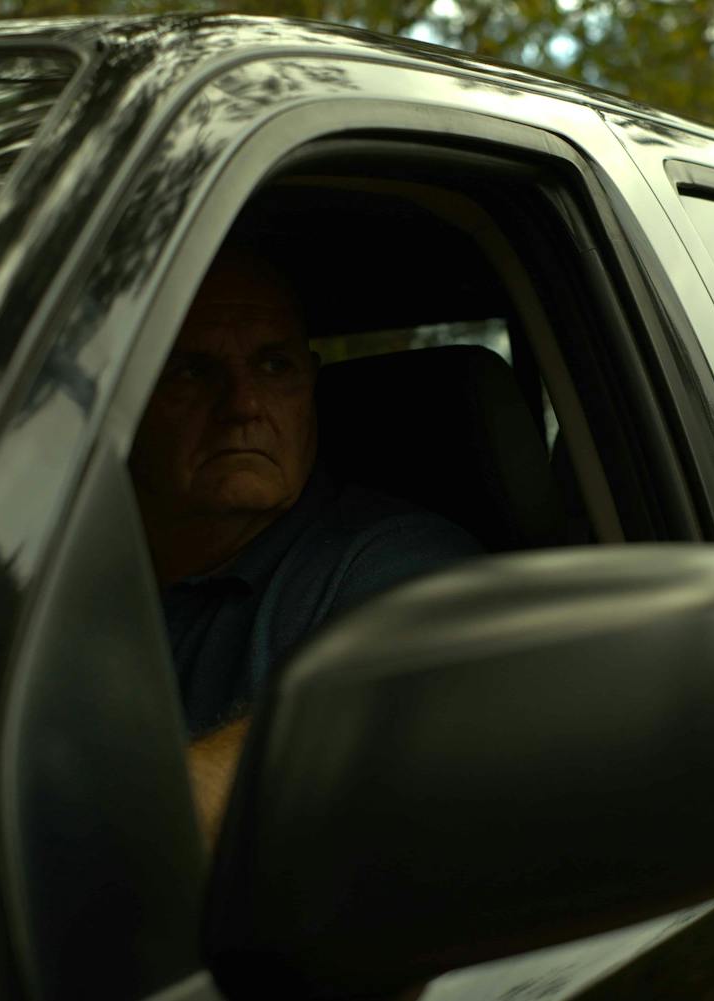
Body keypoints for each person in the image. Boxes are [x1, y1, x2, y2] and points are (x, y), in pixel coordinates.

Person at [129, 243, 481, 841]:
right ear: (129, 397)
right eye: (193, 371)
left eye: (274, 367)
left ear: (310, 388)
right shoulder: (54, 564)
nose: (242, 405)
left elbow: (360, 726)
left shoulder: (399, 561)